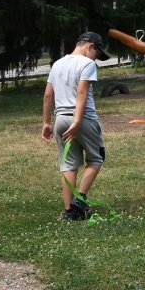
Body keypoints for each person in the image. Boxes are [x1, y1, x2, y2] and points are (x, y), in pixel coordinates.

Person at [41, 32, 111, 221]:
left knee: (69, 165)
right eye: (97, 54)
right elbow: (81, 92)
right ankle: (80, 199)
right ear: (90, 46)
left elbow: (48, 95)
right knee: (97, 158)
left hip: (60, 119)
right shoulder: (87, 64)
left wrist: (46, 122)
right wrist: (78, 120)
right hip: (83, 119)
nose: (95, 58)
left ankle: (69, 212)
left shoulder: (57, 64)